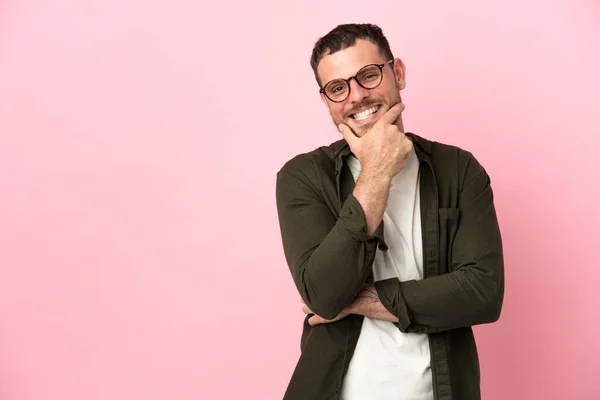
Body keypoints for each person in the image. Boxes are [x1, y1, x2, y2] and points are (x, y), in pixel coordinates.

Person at [275, 23, 504, 400]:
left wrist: (359, 300)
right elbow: (323, 294)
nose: (357, 97)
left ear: (397, 72)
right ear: (327, 100)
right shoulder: (302, 177)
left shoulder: (459, 169)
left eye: (368, 75)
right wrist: (377, 171)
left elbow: (483, 292)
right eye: (338, 88)